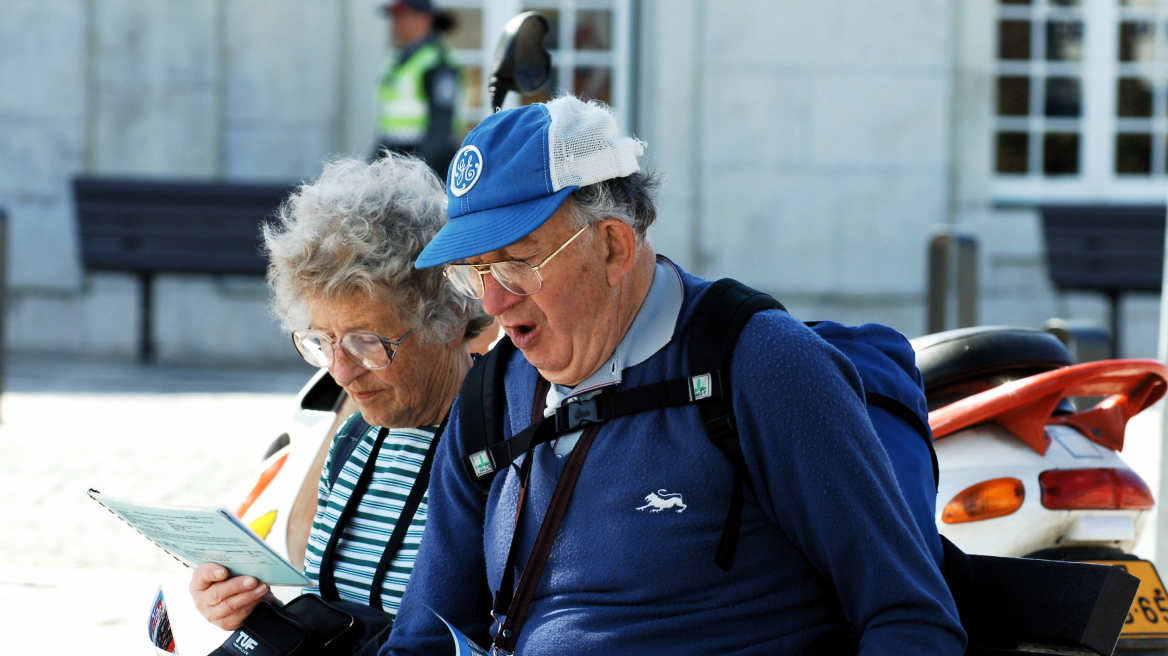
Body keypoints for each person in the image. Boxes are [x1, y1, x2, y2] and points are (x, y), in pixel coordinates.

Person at [382, 96, 967, 655]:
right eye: (474, 273)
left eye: (516, 265)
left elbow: (910, 619)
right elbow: (424, 638)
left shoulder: (761, 365)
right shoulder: (492, 394)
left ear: (613, 246)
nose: (494, 302)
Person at [188, 154, 491, 638]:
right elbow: (344, 620)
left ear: (451, 319)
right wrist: (256, 612)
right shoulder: (354, 441)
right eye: (323, 342)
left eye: (367, 341)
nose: (341, 371)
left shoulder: (504, 447)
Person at [373, 0, 463, 176]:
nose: (397, 23)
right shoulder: (397, 60)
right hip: (396, 156)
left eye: (403, 17)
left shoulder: (437, 62)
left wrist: (414, 172)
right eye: (395, 18)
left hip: (427, 164)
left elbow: (440, 130)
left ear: (424, 19)